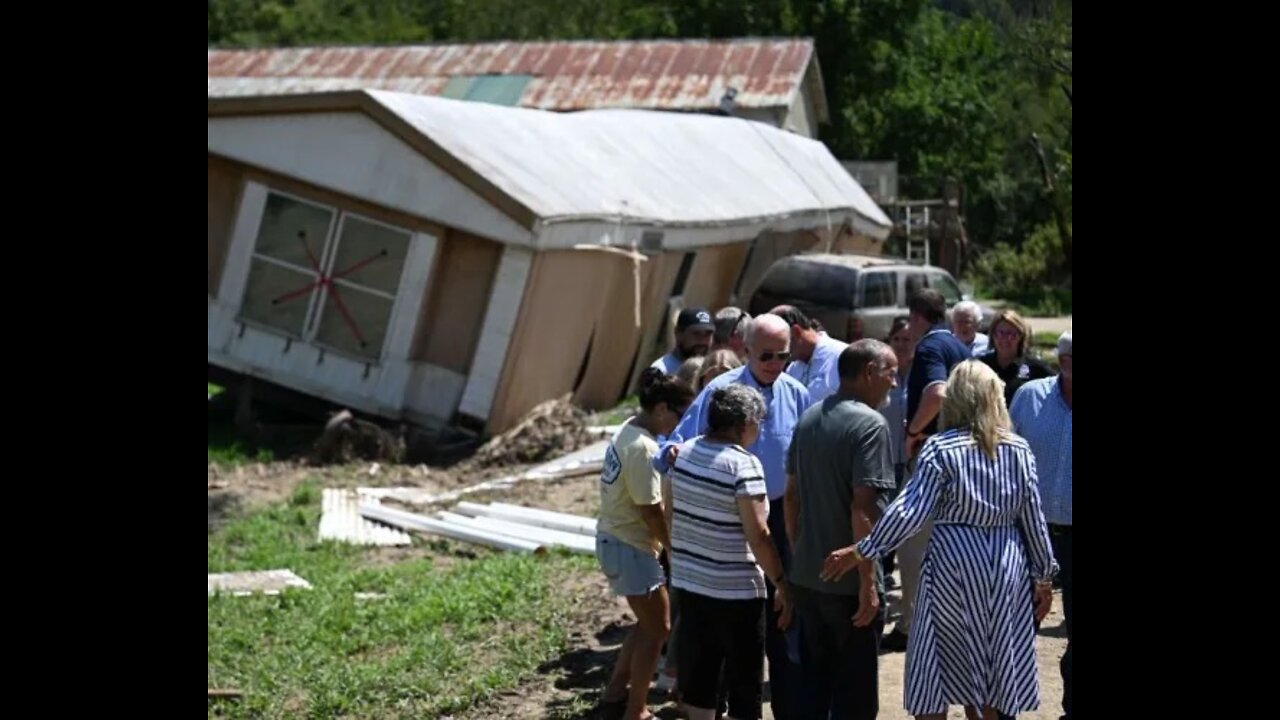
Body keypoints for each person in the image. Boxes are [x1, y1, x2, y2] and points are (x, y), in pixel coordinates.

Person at [822, 361, 1058, 720]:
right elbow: (1033, 517)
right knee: (992, 665)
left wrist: (863, 550)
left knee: (937, 664)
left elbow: (910, 512)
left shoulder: (941, 449)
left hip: (953, 564)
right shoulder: (1018, 450)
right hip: (1005, 563)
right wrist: (1042, 576)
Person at [655, 314, 810, 719]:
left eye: (783, 357)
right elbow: (674, 445)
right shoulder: (720, 393)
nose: (776, 364)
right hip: (728, 521)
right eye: (767, 356)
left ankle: (787, 708)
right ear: (745, 350)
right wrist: (668, 453)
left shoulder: (796, 393)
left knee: (784, 622)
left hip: (778, 517)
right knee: (728, 631)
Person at [784, 339, 898, 720]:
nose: (894, 383)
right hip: (849, 587)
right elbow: (863, 506)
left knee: (814, 685)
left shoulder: (809, 417)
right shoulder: (870, 424)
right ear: (869, 372)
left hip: (808, 578)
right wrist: (868, 581)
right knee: (855, 695)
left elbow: (791, 497)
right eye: (891, 373)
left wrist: (800, 550)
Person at [664, 384, 793, 720]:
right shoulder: (744, 466)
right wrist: (781, 581)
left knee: (701, 681)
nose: (759, 430)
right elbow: (760, 535)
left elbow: (671, 514)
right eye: (758, 423)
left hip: (692, 585)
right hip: (737, 595)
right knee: (744, 685)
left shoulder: (685, 453)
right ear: (745, 423)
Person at [597, 368, 695, 720]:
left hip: (618, 541)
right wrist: (673, 549)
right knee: (659, 629)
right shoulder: (642, 448)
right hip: (631, 546)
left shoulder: (628, 430)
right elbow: (651, 511)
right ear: (661, 409)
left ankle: (614, 693)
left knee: (647, 623)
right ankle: (635, 710)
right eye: (681, 415)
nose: (682, 424)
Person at [883, 290, 970, 652]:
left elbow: (937, 392)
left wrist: (913, 430)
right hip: (961, 456)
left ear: (916, 315)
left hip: (933, 455)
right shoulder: (960, 346)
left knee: (913, 545)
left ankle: (911, 626)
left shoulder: (931, 347)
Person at [1009, 330, 1072, 720]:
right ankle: (1004, 707)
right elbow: (1001, 452)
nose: (1068, 361)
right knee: (1015, 625)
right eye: (1065, 354)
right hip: (1030, 531)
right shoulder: (1029, 396)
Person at [772, 304, 849, 405]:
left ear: (796, 332)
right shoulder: (793, 369)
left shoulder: (843, 357)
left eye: (779, 342)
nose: (776, 350)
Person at [977, 310, 1053, 407]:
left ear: (1020, 336)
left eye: (1011, 334)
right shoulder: (981, 366)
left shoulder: (1035, 367)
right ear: (993, 335)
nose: (1005, 338)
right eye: (1000, 333)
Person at [651, 308, 715, 375]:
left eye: (708, 334)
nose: (702, 340)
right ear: (678, 333)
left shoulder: (714, 370)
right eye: (696, 333)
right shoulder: (661, 371)